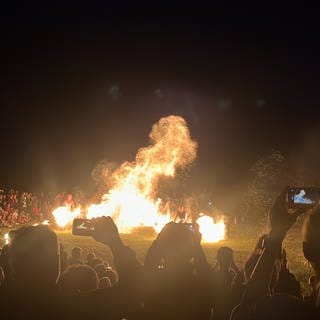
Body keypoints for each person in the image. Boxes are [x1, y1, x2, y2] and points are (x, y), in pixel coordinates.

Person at [143, 222, 212, 320]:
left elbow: (149, 265)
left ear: (163, 251)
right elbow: (204, 271)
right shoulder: (198, 286)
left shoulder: (155, 283)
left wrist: (160, 239)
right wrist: (196, 245)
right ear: (191, 252)